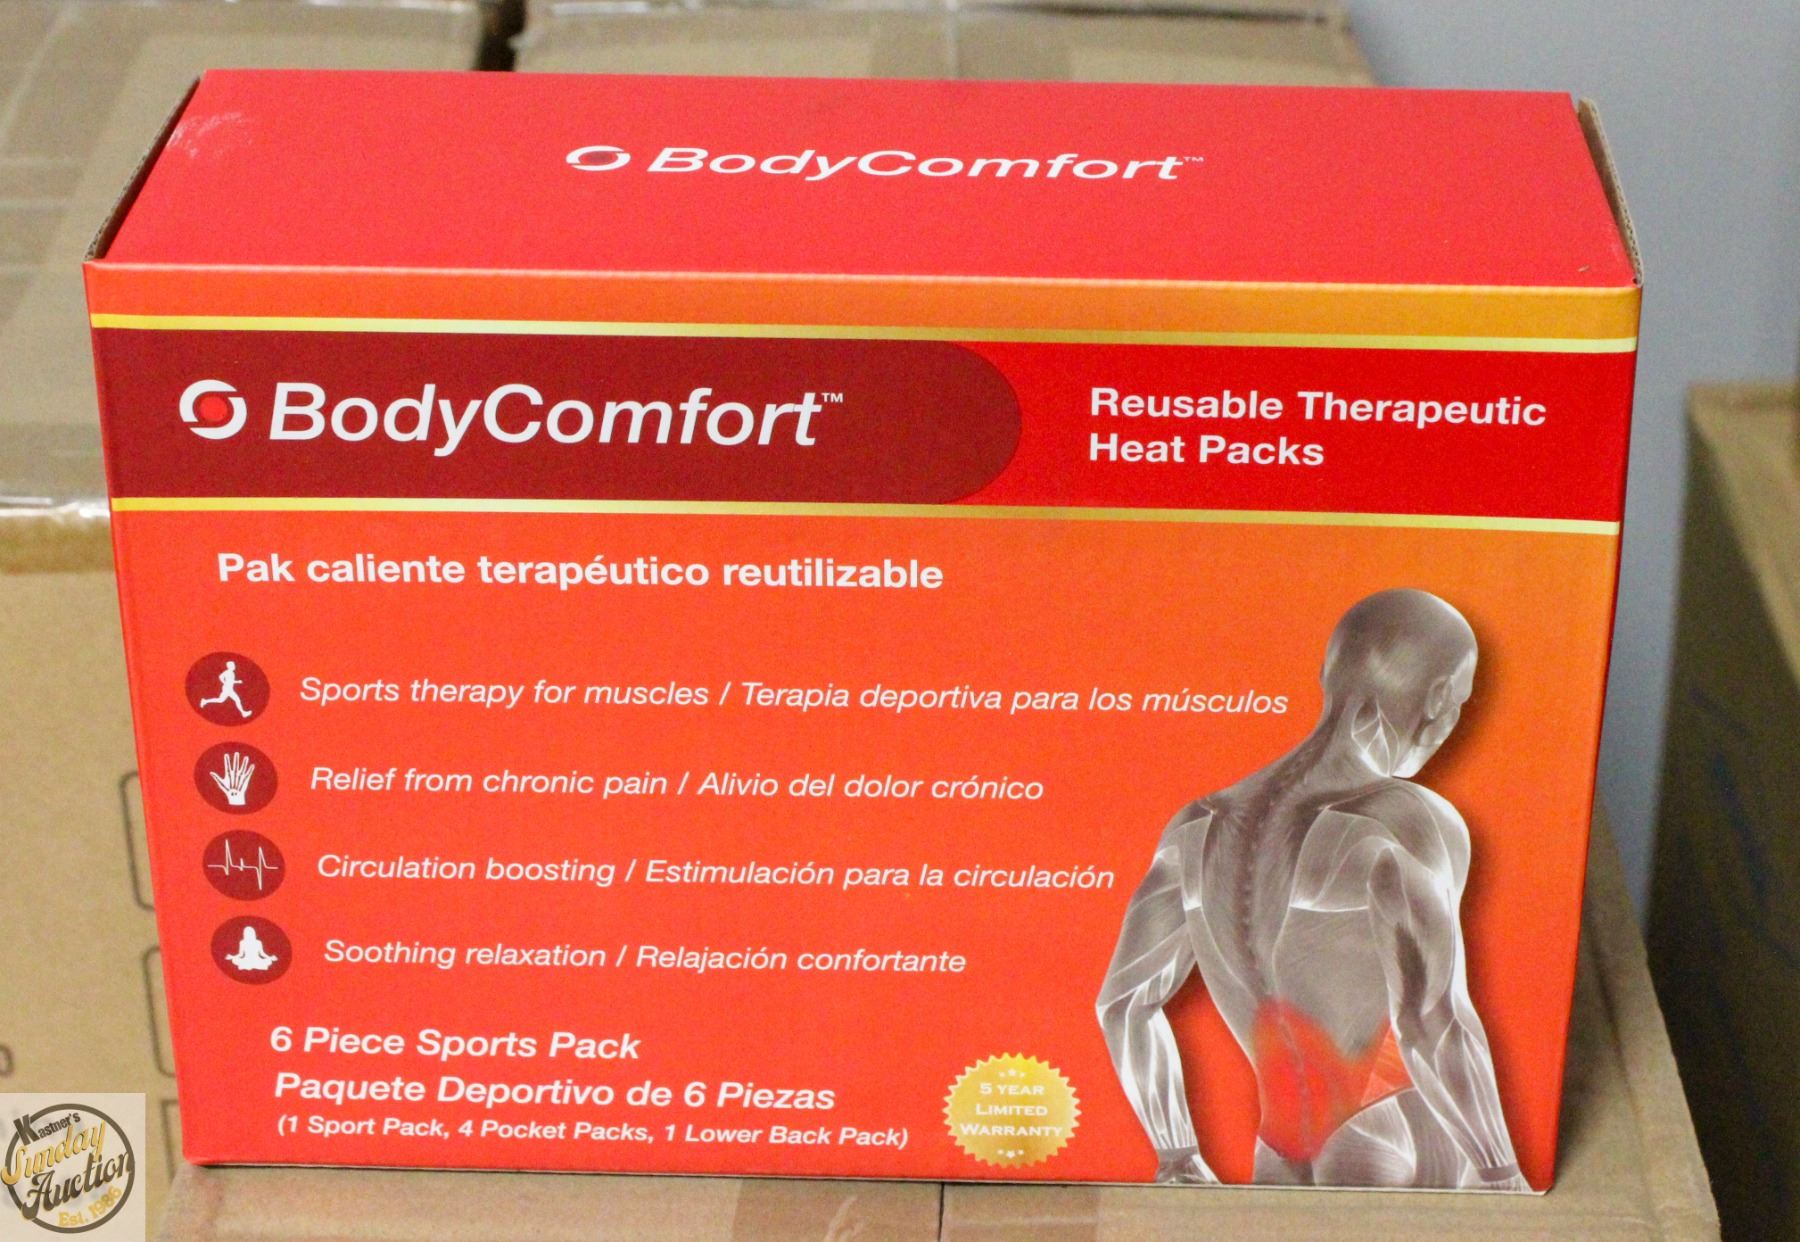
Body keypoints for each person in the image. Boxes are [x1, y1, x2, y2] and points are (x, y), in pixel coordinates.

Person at [1096, 588, 1526, 1191]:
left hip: (1281, 1150)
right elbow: (1432, 1018)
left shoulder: (1196, 827)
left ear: (1326, 674)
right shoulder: (1401, 820)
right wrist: (1502, 1173)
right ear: (1438, 700)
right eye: (1460, 700)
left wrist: (1177, 1155)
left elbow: (1122, 1005)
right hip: (1390, 1130)